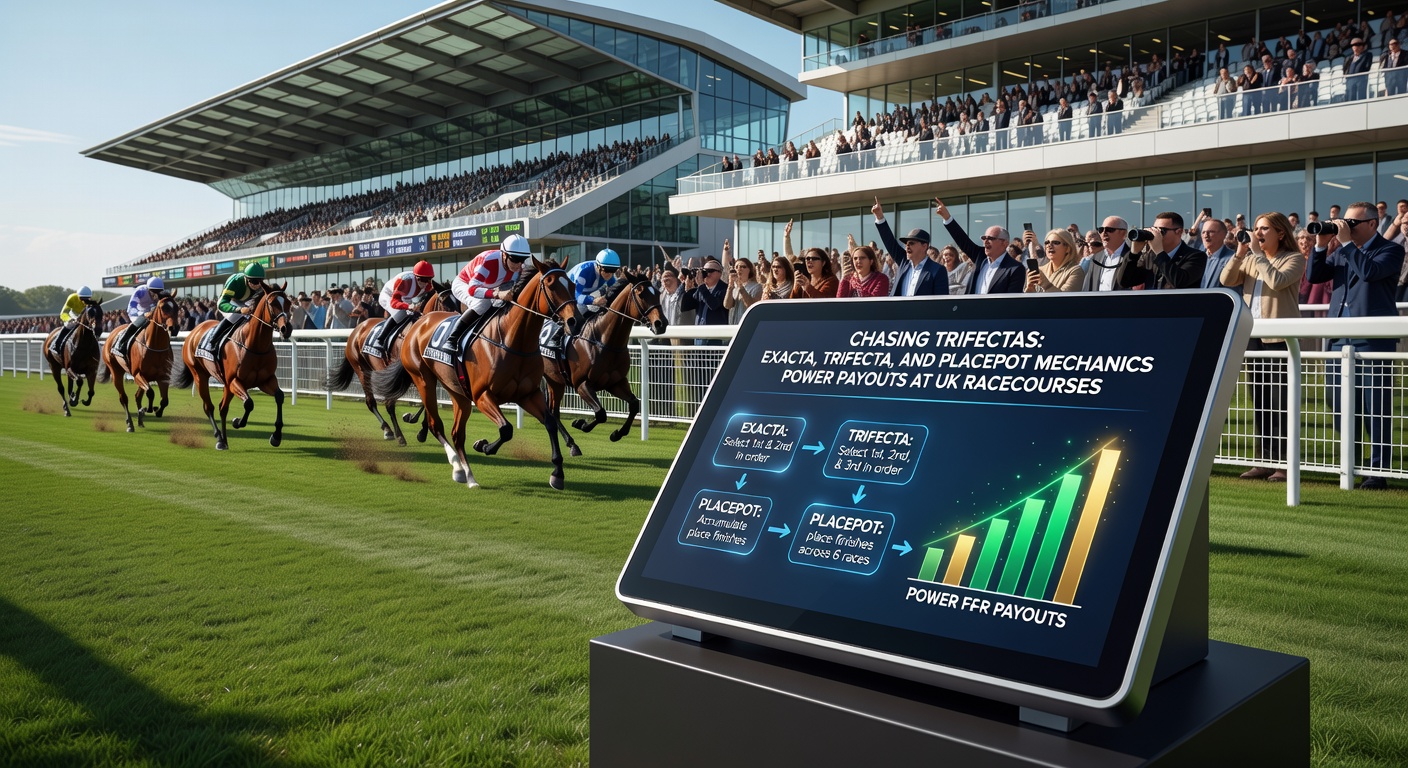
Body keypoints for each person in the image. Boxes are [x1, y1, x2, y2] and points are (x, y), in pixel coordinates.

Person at [1306, 202, 1406, 488]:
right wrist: (1320, 245)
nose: (1345, 227)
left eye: (1352, 223)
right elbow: (1314, 276)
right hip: (1339, 338)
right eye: (1344, 222)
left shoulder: (1391, 250)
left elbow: (1370, 273)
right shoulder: (1340, 251)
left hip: (1373, 339)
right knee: (1339, 404)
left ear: (1373, 224)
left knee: (1376, 408)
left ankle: (1377, 473)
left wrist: (1347, 244)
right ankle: (1350, 464)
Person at [1220, 212, 1305, 481]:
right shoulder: (1250, 257)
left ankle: (1285, 465)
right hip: (1253, 337)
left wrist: (1256, 256)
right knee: (1261, 402)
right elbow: (1226, 280)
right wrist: (1239, 252)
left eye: (1264, 228)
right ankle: (1264, 461)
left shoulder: (1295, 258)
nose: (1258, 233)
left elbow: (1277, 282)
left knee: (1281, 404)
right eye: (1256, 228)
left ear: (1280, 233)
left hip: (1281, 338)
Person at [445, 233, 531, 350]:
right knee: (482, 304)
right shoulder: (488, 261)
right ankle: (452, 339)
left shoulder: (519, 268)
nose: (519, 265)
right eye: (515, 260)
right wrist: (497, 294)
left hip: (489, 287)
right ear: (504, 255)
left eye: (523, 260)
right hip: (464, 284)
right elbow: (472, 290)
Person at [934, 198, 1023, 295]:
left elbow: (1012, 303)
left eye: (991, 238)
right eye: (984, 238)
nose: (986, 241)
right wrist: (947, 218)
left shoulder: (1014, 268)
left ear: (1004, 243)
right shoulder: (981, 257)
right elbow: (962, 240)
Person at [873, 198, 948, 296]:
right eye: (906, 243)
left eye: (912, 243)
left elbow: (941, 303)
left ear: (924, 246)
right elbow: (890, 242)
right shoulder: (904, 262)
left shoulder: (937, 270)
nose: (907, 246)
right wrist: (879, 217)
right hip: (899, 311)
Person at [1119, 212, 1207, 290]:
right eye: (1154, 229)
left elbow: (1179, 282)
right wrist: (1133, 254)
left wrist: (1160, 253)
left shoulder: (1196, 256)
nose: (1156, 234)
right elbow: (1125, 281)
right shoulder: (1150, 256)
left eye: (1161, 231)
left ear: (1179, 232)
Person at [201, 263, 268, 357]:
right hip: (229, 302)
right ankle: (213, 341)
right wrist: (239, 310)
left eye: (260, 281)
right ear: (247, 278)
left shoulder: (261, 286)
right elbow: (221, 304)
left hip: (246, 302)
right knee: (236, 316)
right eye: (254, 281)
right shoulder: (236, 281)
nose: (257, 285)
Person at [372, 260, 435, 357]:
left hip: (406, 298)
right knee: (400, 314)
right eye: (423, 280)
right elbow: (394, 302)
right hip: (389, 295)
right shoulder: (405, 281)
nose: (426, 283)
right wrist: (408, 306)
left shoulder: (428, 285)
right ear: (416, 277)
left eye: (429, 279)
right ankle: (379, 340)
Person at [115, 277, 169, 358]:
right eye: (153, 291)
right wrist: (144, 314)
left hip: (151, 312)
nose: (156, 294)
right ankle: (121, 343)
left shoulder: (160, 294)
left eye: (158, 291)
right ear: (148, 289)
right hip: (136, 312)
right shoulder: (140, 291)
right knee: (140, 322)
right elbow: (132, 307)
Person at [49, 286, 103, 358]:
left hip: (83, 316)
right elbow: (63, 313)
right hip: (73, 315)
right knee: (69, 325)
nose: (84, 301)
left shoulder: (90, 302)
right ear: (78, 296)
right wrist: (69, 319)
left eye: (87, 298)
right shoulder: (72, 298)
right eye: (82, 298)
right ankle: (56, 345)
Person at [1082, 216, 1133, 291]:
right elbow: (1087, 289)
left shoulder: (1133, 258)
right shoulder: (1096, 258)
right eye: (1101, 230)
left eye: (1109, 230)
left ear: (1123, 233)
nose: (1104, 233)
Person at [722, 249, 762, 323]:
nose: (739, 269)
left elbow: (751, 306)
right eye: (736, 267)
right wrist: (730, 287)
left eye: (743, 267)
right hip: (734, 326)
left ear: (750, 270)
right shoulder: (734, 288)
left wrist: (741, 288)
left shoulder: (757, 287)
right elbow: (727, 305)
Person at [1198, 217, 1237, 288]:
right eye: (1203, 232)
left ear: (1223, 235)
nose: (1206, 235)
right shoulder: (1197, 258)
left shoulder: (1232, 259)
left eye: (1211, 232)